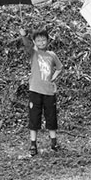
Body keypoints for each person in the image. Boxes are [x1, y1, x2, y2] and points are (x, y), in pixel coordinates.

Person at [19, 27, 63, 156]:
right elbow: (27, 45)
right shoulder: (34, 53)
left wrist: (53, 78)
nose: (41, 43)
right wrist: (24, 35)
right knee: (34, 118)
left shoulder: (52, 55)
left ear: (48, 41)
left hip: (49, 91)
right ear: (35, 42)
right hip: (35, 90)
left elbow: (59, 67)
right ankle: (33, 144)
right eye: (38, 41)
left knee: (51, 117)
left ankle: (54, 143)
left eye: (43, 40)